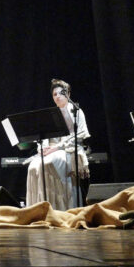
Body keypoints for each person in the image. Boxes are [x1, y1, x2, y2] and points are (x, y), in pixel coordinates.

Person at [26, 79, 90, 210]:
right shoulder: (51, 114)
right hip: (51, 149)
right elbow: (44, 135)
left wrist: (57, 147)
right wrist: (42, 148)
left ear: (68, 95)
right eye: (55, 94)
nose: (58, 96)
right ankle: (38, 209)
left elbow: (81, 135)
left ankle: (60, 208)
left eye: (61, 93)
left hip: (68, 149)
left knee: (49, 164)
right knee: (33, 167)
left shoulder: (77, 111)